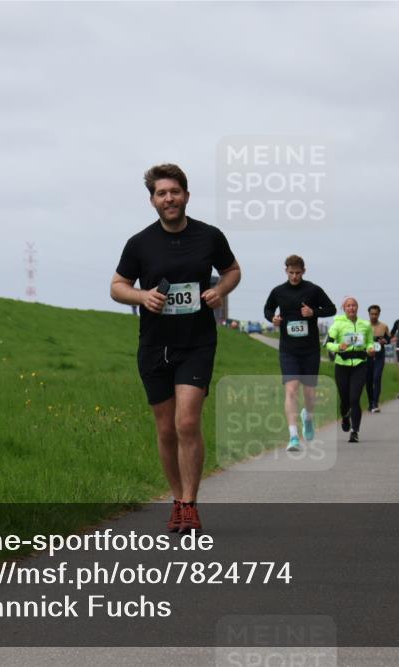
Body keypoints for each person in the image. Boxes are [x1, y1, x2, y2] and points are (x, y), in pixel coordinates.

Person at [110, 163, 241, 534]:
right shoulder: (140, 243)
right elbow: (117, 285)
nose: (169, 198)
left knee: (187, 421)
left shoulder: (209, 236)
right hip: (154, 345)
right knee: (166, 429)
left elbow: (232, 270)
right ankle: (176, 496)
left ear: (186, 195)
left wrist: (220, 290)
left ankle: (189, 504)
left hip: (196, 342)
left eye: (175, 192)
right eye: (161, 193)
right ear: (152, 200)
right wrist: (140, 295)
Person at [263, 255, 337, 451]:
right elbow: (268, 309)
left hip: (310, 350)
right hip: (288, 350)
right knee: (292, 389)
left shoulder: (313, 289)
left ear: (304, 271)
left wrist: (313, 313)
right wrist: (273, 318)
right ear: (285, 271)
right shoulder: (278, 291)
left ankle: (308, 417)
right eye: (291, 273)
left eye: (298, 273)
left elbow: (331, 309)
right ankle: (293, 436)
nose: (294, 276)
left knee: (310, 395)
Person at [325, 297, 375, 443]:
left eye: (353, 305)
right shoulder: (337, 324)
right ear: (344, 308)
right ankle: (345, 417)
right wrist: (337, 347)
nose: (351, 308)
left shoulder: (365, 325)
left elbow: (370, 342)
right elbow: (328, 344)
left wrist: (371, 349)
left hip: (360, 364)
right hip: (342, 365)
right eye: (348, 306)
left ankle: (355, 431)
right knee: (345, 399)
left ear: (357, 308)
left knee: (355, 399)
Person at [365, 305, 390, 413]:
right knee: (368, 381)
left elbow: (388, 339)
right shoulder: (364, 326)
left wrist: (385, 341)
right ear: (369, 314)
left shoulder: (384, 326)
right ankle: (370, 403)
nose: (374, 316)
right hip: (367, 356)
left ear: (379, 314)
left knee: (376, 378)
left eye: (376, 314)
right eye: (372, 314)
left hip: (379, 355)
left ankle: (375, 403)